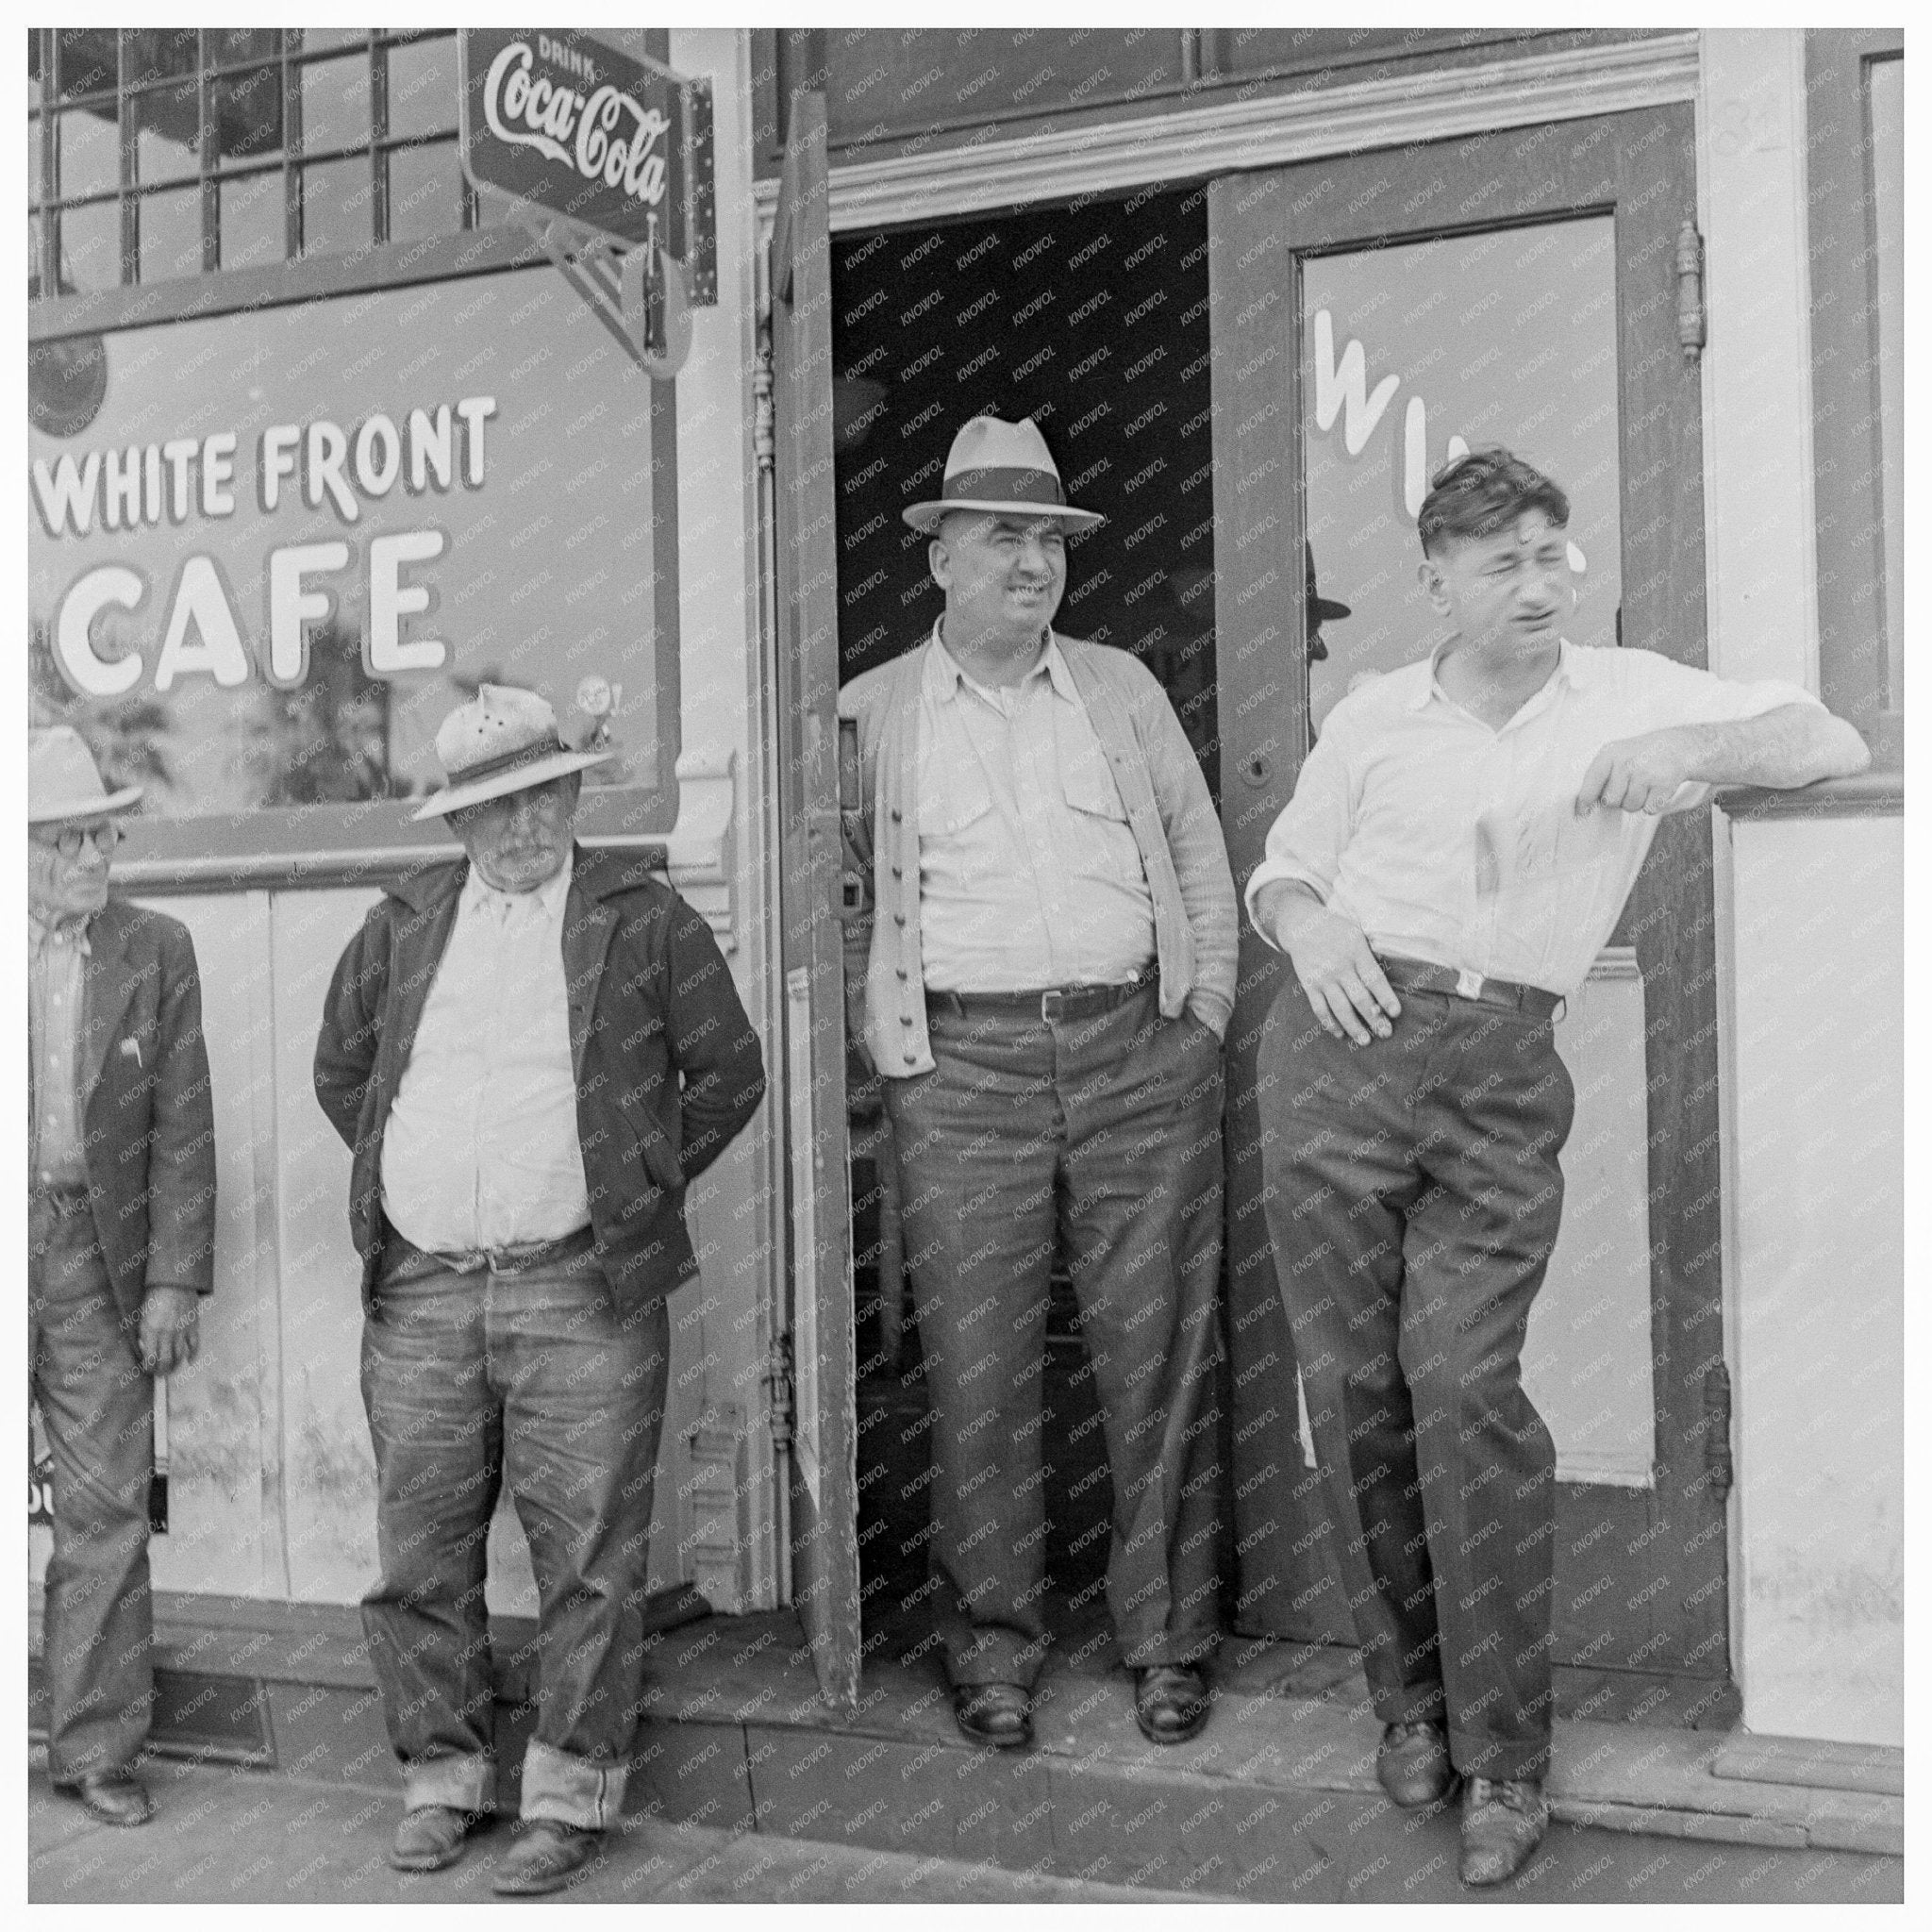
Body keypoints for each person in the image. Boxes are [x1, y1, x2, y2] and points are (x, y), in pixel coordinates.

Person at [1245, 448, 1870, 1886]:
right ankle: (1408, 1706)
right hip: (1337, 1051)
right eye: (1501, 564)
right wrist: (1306, 925)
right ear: (1437, 584)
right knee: (1353, 1395)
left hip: (1498, 1070)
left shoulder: (1629, 689)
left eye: (1549, 556)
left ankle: (1505, 1761)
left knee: (1465, 1391)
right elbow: (1286, 866)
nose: (1536, 586)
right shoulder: (1374, 717)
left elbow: (1825, 736)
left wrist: (1692, 759)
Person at [313, 684, 766, 1895]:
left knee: (591, 1558)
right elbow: (342, 1067)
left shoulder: (644, 917)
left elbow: (728, 1072)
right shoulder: (403, 925)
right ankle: (440, 1779)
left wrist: (632, 1180)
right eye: (496, 807)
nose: (526, 826)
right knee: (419, 1547)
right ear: (458, 823)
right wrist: (416, 1183)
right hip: (421, 1289)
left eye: (546, 796)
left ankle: (567, 1794)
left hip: (584, 1286)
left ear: (577, 793)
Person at [840, 415, 1239, 1752]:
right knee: (978, 1366)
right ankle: (994, 1646)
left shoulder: (1120, 688)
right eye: (1003, 537)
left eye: (1052, 540)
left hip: (1139, 1053)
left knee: (1158, 1355)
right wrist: (895, 1050)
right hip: (964, 1070)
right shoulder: (872, 713)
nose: (1034, 563)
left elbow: (1197, 858)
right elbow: (837, 901)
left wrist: (1202, 1021)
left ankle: (1169, 1640)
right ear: (941, 557)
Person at [28, 726, 215, 1828]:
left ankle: (95, 1749)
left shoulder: (156, 948)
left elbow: (182, 1122)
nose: (93, 857)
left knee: (104, 1510)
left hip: (94, 1255)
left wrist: (173, 1279)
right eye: (64, 842)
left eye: (101, 833)